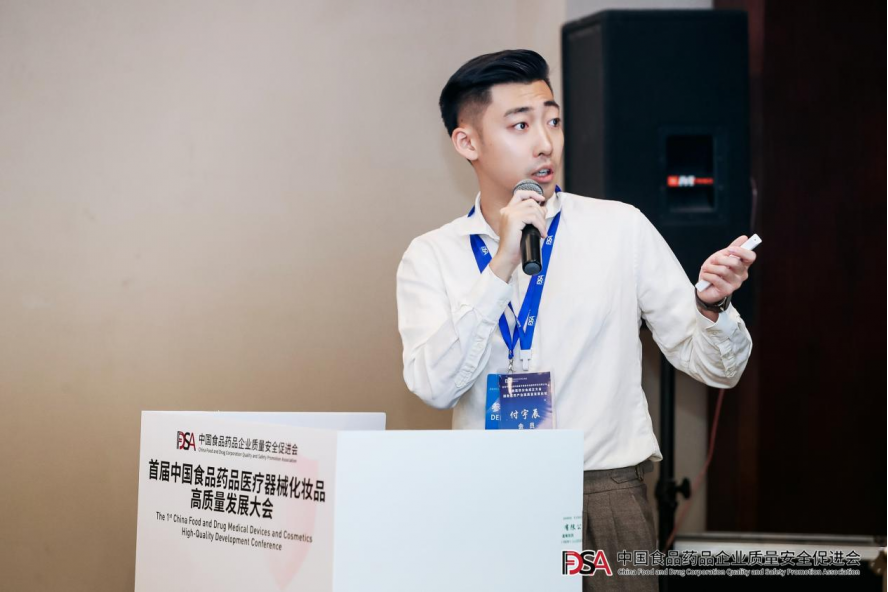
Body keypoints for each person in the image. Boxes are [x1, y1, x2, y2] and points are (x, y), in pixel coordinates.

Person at [395, 49, 755, 592]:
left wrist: (712, 307)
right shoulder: (432, 256)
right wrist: (500, 267)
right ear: (468, 142)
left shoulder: (620, 228)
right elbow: (434, 386)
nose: (545, 143)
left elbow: (717, 369)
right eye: (521, 125)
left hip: (605, 494)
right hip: (490, 493)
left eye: (554, 121)